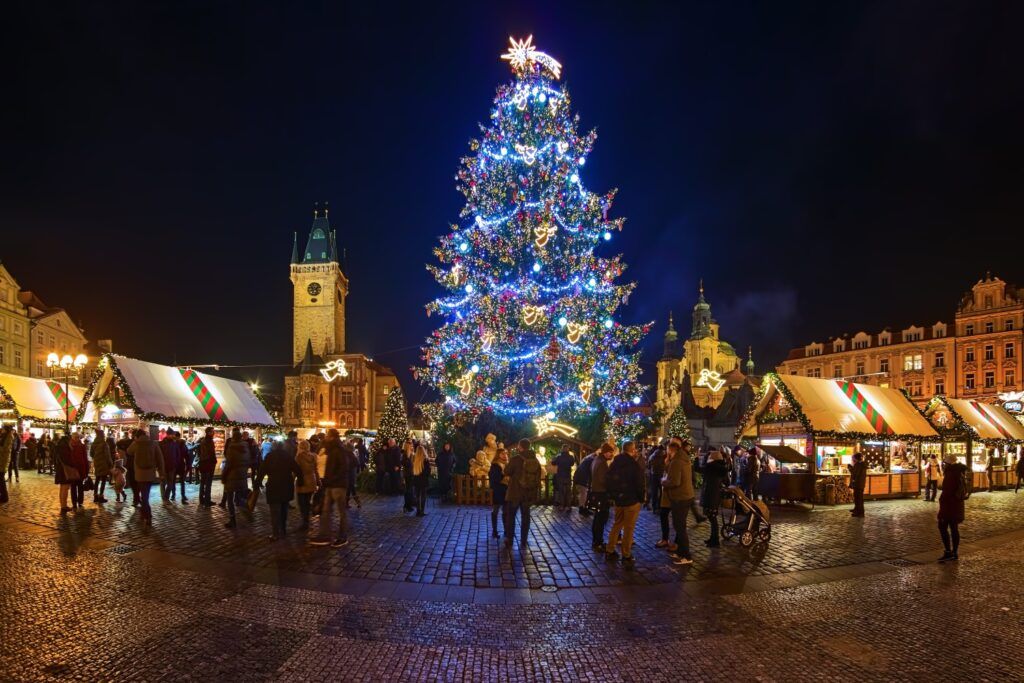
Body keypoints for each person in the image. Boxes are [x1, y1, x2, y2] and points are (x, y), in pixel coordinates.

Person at [309, 429, 351, 548]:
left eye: (327, 436)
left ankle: (342, 537)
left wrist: (331, 479)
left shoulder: (339, 450)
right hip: (330, 485)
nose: (325, 437)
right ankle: (324, 535)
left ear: (332, 437)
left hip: (338, 485)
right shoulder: (331, 449)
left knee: (341, 512)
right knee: (326, 511)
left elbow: (343, 468)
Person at [605, 441, 644, 564]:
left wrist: (614, 495)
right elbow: (639, 484)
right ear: (632, 450)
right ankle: (626, 554)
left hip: (619, 500)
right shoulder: (634, 465)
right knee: (629, 528)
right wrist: (641, 498)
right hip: (631, 500)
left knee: (617, 524)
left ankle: (610, 549)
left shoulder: (615, 463)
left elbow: (609, 480)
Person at [256, 441, 303, 541]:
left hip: (274, 486)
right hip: (286, 486)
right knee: (283, 509)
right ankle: (283, 530)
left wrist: (257, 483)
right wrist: (301, 481)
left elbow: (261, 471)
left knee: (274, 511)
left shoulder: (269, 456)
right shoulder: (288, 456)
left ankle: (275, 533)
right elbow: (297, 469)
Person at [503, 439, 542, 550]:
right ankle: (523, 540)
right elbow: (538, 475)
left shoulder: (516, 459)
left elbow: (507, 471)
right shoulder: (535, 460)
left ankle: (509, 539)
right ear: (529, 447)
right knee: (526, 517)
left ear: (520, 447)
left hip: (515, 492)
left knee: (511, 516)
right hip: (528, 493)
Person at [662, 439, 695, 565]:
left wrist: (663, 482)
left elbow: (674, 481)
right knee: (680, 526)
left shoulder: (677, 461)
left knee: (679, 527)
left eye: (667, 450)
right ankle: (681, 552)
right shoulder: (683, 458)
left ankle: (686, 555)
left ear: (671, 450)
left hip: (680, 497)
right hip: (686, 496)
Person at [128, 429, 165, 528]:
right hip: (150, 474)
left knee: (144, 496)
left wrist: (135, 440)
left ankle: (147, 515)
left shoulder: (136, 443)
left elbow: (129, 451)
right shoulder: (153, 443)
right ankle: (145, 514)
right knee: (145, 494)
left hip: (139, 474)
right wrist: (161, 473)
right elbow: (160, 458)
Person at [938, 453, 968, 562]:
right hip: (957, 505)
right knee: (954, 528)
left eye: (944, 463)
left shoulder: (951, 474)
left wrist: (942, 501)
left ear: (947, 463)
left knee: (942, 526)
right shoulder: (959, 472)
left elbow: (947, 491)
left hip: (949, 505)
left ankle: (948, 551)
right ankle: (954, 552)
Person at [221, 428, 251, 529]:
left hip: (232, 476)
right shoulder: (246, 447)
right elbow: (248, 461)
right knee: (240, 497)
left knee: (230, 498)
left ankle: (232, 519)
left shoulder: (232, 447)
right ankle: (246, 510)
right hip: (242, 475)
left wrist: (224, 476)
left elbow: (228, 464)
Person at [700, 449, 730, 548]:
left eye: (710, 456)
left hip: (710, 494)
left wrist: (697, 458)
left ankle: (715, 539)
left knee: (712, 518)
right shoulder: (722, 468)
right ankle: (713, 538)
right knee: (713, 518)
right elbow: (727, 482)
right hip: (715, 496)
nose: (708, 457)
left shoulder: (710, 467)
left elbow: (699, 468)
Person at [589, 444, 614, 552]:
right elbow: (603, 480)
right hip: (601, 493)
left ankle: (597, 540)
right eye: (610, 452)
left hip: (596, 492)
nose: (612, 454)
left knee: (597, 518)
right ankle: (598, 541)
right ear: (605, 452)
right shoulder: (602, 463)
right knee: (601, 518)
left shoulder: (596, 460)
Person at [294, 439, 319, 531]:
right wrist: (318, 481)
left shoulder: (299, 457)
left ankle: (305, 522)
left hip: (302, 482)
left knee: (301, 503)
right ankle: (306, 520)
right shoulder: (313, 456)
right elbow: (316, 470)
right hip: (311, 481)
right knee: (307, 502)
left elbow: (296, 470)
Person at [488, 448, 509, 538]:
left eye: (506, 453)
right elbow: (495, 478)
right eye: (502, 453)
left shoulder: (508, 464)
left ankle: (506, 530)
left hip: (506, 489)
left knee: (505, 511)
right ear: (498, 455)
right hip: (498, 490)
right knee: (496, 509)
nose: (505, 455)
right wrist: (504, 475)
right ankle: (494, 531)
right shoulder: (495, 465)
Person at [90, 427, 112, 504]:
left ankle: (95, 496)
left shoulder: (93, 444)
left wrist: (96, 458)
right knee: (103, 480)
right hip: (104, 464)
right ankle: (101, 496)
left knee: (97, 479)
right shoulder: (104, 444)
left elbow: (91, 454)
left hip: (97, 463)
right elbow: (107, 455)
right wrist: (110, 464)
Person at [197, 427, 217, 506]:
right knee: (208, 483)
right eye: (212, 431)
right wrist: (214, 461)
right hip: (208, 464)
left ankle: (202, 499)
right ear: (208, 432)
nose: (213, 433)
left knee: (203, 482)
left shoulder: (203, 440)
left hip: (203, 463)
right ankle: (207, 501)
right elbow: (211, 453)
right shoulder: (209, 441)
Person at [68, 432, 88, 511]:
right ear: (72, 437)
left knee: (78, 486)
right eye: (76, 437)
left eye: (77, 437)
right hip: (76, 469)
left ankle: (77, 502)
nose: (77, 438)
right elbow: (85, 459)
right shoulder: (72, 446)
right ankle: (77, 502)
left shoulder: (73, 446)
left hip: (78, 469)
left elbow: (85, 458)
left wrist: (86, 469)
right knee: (76, 486)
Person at [552, 445, 575, 511]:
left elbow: (553, 463)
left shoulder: (559, 457)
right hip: (568, 476)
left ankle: (562, 506)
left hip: (560, 476)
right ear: (568, 449)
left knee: (561, 491)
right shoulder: (571, 457)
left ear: (562, 449)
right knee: (568, 492)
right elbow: (572, 463)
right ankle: (568, 506)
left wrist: (554, 458)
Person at [646, 441, 667, 513]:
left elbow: (648, 466)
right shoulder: (664, 455)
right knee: (661, 492)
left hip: (653, 475)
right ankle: (659, 506)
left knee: (654, 491)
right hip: (661, 475)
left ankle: (654, 507)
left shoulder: (652, 456)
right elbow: (665, 465)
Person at [159, 432, 180, 502]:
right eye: (172, 434)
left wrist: (176, 464)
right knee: (163, 482)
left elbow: (178, 455)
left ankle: (166, 496)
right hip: (163, 466)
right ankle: (164, 497)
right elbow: (159, 455)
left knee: (170, 483)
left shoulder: (175, 444)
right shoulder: (161, 443)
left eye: (173, 434)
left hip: (172, 466)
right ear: (168, 435)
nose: (173, 435)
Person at [411, 444, 431, 516]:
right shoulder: (425, 460)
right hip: (423, 480)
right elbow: (428, 471)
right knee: (423, 496)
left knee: (417, 495)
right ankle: (422, 511)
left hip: (416, 480)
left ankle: (418, 511)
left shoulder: (415, 460)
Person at [574, 450, 595, 517]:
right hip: (582, 479)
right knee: (583, 494)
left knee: (583, 494)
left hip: (579, 478)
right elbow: (591, 471)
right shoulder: (591, 461)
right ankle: (582, 508)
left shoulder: (586, 461)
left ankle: (583, 507)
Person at [848, 452, 867, 518]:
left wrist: (850, 469)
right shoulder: (860, 464)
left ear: (856, 458)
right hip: (859, 484)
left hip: (858, 484)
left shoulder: (859, 465)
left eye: (853, 458)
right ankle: (857, 510)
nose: (852, 459)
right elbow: (855, 472)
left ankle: (860, 512)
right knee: (857, 498)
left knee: (859, 498)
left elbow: (856, 474)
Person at [346, 439, 362, 509]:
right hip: (351, 474)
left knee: (349, 489)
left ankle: (346, 503)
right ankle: (358, 502)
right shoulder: (352, 455)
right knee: (352, 489)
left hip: (347, 475)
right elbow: (357, 463)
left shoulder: (345, 455)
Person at [401, 440, 415, 513]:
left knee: (410, 490)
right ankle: (406, 506)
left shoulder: (412, 454)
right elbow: (405, 464)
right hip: (407, 475)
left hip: (412, 474)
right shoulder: (405, 455)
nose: (412, 447)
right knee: (408, 491)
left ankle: (409, 505)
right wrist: (409, 457)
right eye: (411, 446)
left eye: (412, 445)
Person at [0, 425, 13, 503]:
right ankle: (3, 495)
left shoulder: (9, 437)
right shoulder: (4, 436)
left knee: (1, 479)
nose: (2, 430)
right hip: (1, 459)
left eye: (3, 429)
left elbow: (6, 449)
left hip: (3, 460)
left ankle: (5, 497)